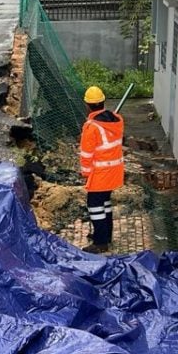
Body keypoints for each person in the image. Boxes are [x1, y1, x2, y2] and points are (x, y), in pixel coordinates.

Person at [79, 86, 124, 253]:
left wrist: (85, 173)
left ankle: (100, 243)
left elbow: (86, 154)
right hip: (115, 171)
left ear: (87, 105)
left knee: (95, 206)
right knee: (105, 203)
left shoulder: (91, 127)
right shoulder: (117, 119)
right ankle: (105, 235)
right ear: (103, 101)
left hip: (100, 173)